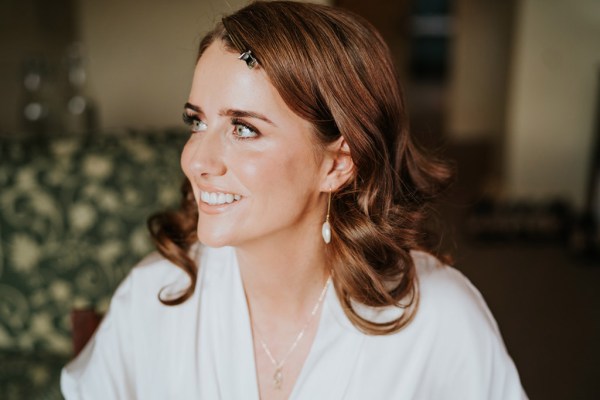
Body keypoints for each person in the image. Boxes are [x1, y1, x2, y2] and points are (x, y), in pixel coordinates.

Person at [61, 1, 527, 399]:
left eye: (244, 129)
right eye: (197, 122)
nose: (197, 159)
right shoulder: (155, 295)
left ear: (337, 164)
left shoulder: (438, 319)